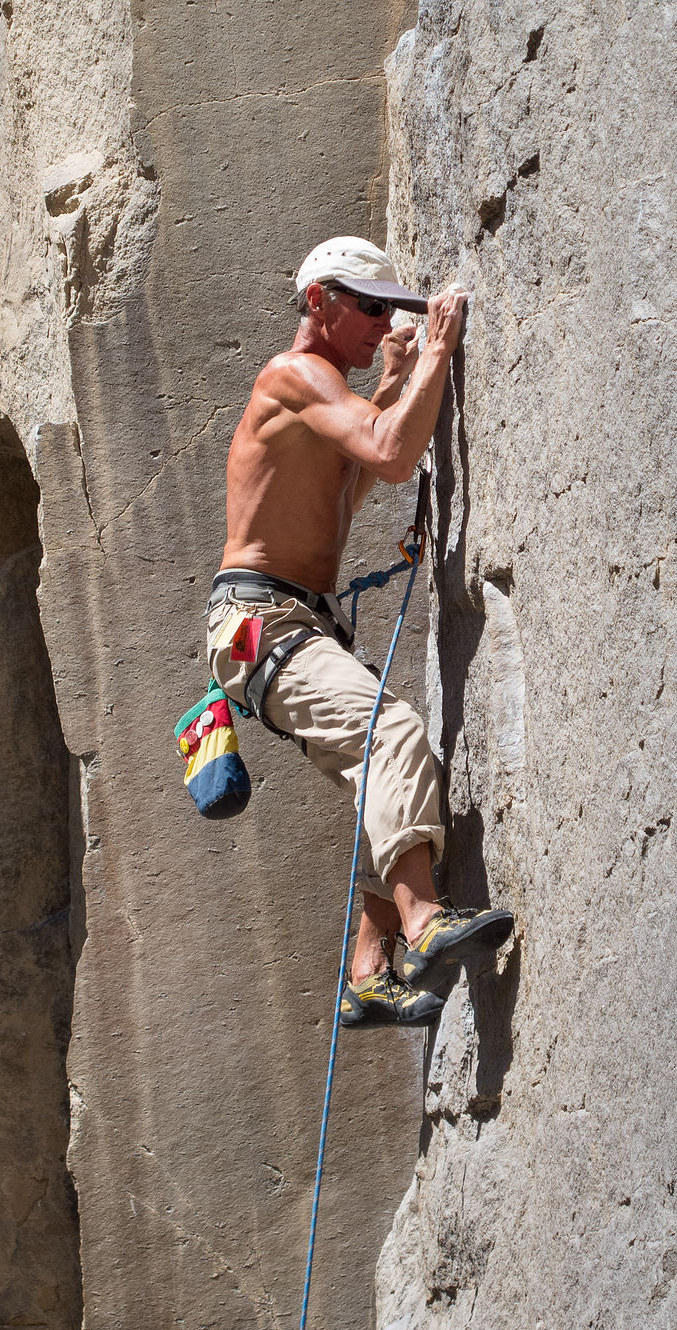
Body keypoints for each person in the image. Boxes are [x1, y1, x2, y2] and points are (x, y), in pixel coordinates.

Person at [205, 237, 513, 1027]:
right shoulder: (291, 374)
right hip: (264, 622)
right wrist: (438, 347)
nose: (383, 323)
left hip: (283, 623)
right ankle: (424, 925)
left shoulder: (325, 390)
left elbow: (360, 463)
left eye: (394, 311)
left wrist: (398, 377)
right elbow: (391, 452)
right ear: (320, 303)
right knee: (393, 732)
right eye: (370, 308)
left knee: (388, 777)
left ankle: (368, 974)